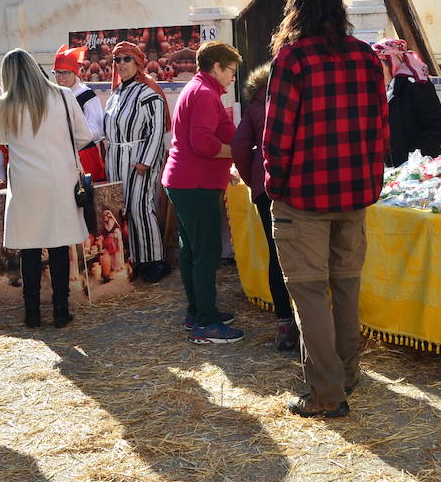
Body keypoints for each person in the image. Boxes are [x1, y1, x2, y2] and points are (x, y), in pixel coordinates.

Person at [265, 0, 390, 418]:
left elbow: (276, 135)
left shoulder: (293, 59)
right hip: (354, 194)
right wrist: (370, 182)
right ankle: (345, 376)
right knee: (346, 287)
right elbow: (380, 128)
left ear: (296, 14)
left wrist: (274, 184)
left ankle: (326, 392)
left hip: (304, 196)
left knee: (310, 292)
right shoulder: (366, 58)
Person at [0, 49, 90, 329]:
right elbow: (83, 136)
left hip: (26, 184)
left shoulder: (2, 104)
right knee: (59, 246)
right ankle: (61, 310)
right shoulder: (63, 95)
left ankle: (32, 312)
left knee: (29, 249)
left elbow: (0, 137)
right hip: (59, 179)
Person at [162, 41, 243, 343]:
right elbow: (204, 144)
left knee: (192, 250)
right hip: (195, 184)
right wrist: (236, 153)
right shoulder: (205, 93)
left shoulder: (198, 89)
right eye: (231, 71)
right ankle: (206, 323)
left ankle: (198, 311)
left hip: (185, 182)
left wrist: (229, 163)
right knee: (206, 252)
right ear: (216, 67)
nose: (233, 78)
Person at [231, 63, 297, 351]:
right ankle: (308, 325)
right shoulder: (293, 97)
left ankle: (284, 325)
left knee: (276, 252)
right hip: (296, 181)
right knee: (305, 254)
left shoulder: (256, 103)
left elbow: (239, 146)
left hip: (265, 183)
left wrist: (253, 180)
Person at [102, 40, 170, 283]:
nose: (121, 64)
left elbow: (157, 130)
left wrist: (146, 160)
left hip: (139, 160)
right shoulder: (116, 94)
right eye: (117, 60)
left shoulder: (148, 93)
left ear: (138, 62)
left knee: (141, 208)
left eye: (126, 59)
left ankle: (155, 260)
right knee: (124, 212)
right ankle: (137, 260)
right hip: (116, 161)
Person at [371, 38, 441, 166]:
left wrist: (414, 158)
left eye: (378, 66)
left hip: (420, 167)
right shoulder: (378, 91)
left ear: (392, 63)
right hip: (393, 168)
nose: (374, 73)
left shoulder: (418, 86)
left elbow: (438, 128)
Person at [52, 45, 107, 181]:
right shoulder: (54, 95)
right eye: (57, 72)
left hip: (85, 157)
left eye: (65, 73)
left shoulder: (86, 95)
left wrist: (72, 135)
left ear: (75, 73)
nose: (60, 77)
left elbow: (98, 130)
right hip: (60, 158)